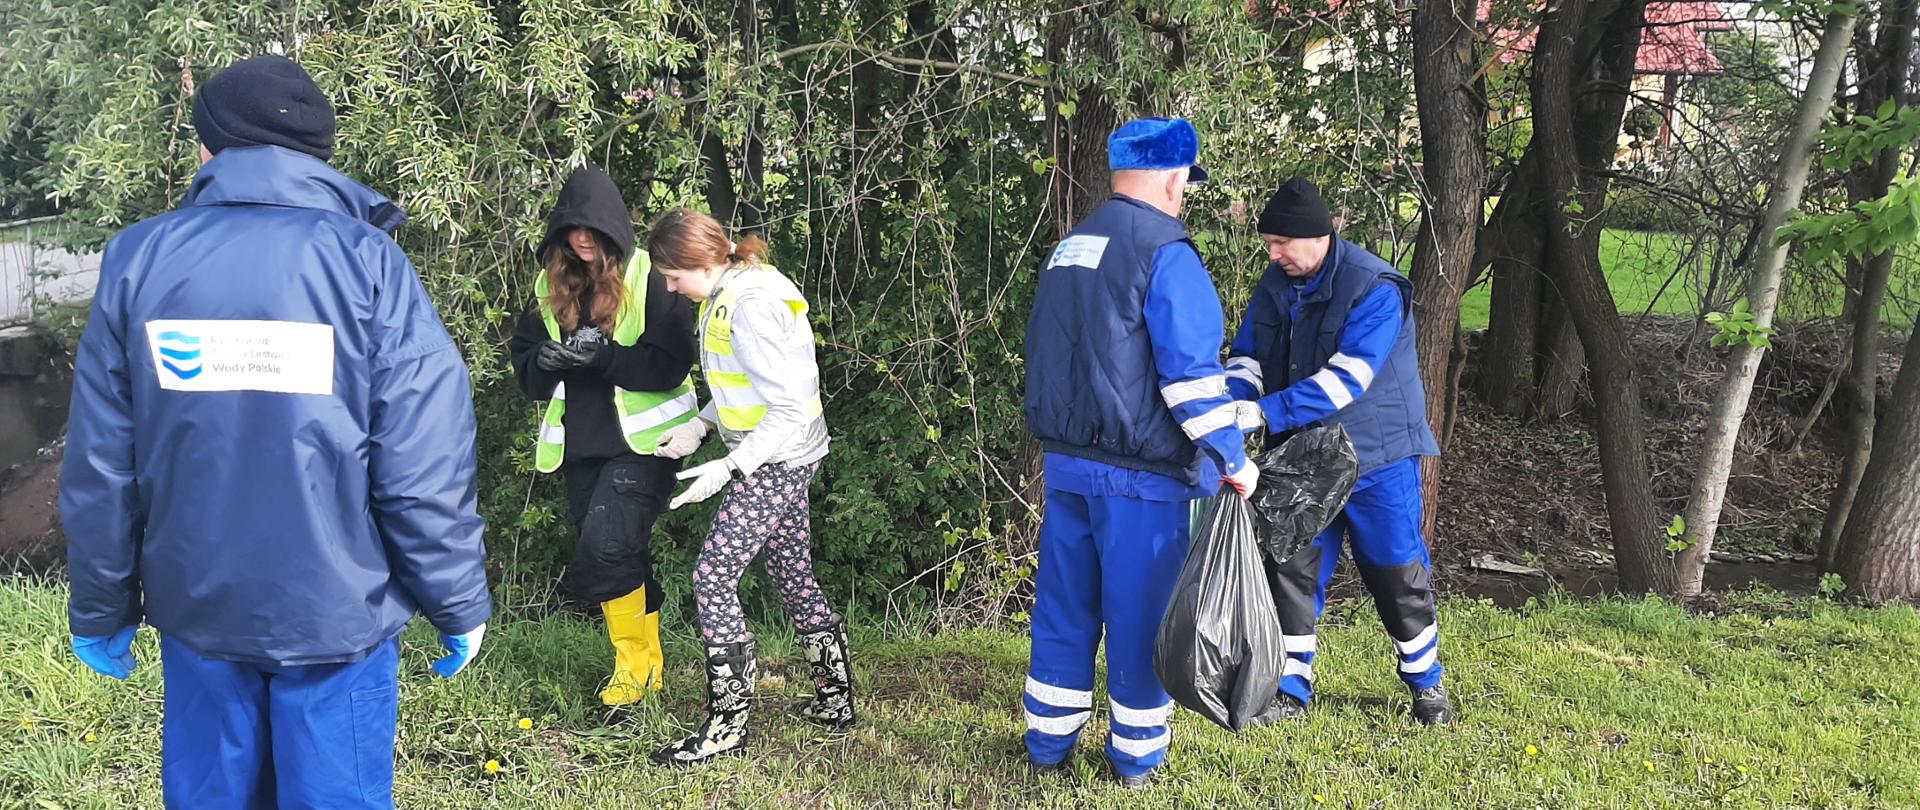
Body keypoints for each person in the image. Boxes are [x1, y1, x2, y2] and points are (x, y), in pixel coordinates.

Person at [60, 55, 491, 808]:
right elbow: (421, 460)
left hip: (198, 607)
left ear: (212, 146)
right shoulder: (368, 264)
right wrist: (456, 599)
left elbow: (103, 464)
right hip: (338, 613)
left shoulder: (139, 261)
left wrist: (102, 606)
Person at [1020, 117, 1259, 788]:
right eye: (1185, 179)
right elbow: (1191, 379)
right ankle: (1134, 759)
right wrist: (1233, 461)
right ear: (1171, 176)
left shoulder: (1070, 245)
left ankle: (1048, 747)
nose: (1185, 191)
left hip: (1067, 467)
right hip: (1142, 479)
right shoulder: (1166, 253)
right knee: (1138, 618)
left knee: (1064, 610)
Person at [1225, 177, 1452, 726]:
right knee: (1292, 571)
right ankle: (1289, 691)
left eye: (1282, 242)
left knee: (1397, 574)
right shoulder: (1276, 282)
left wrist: (1262, 413)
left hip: (1377, 459)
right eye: (1268, 243)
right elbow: (1248, 354)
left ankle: (1427, 685)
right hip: (1302, 459)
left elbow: (1346, 380)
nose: (1273, 253)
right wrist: (1234, 402)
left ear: (1320, 236)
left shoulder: (1376, 287)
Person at [641, 208, 853, 766]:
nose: (668, 285)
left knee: (712, 576)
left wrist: (728, 469)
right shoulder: (729, 292)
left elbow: (785, 407)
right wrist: (702, 426)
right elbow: (746, 388)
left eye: (671, 274)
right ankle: (836, 699)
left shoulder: (750, 307)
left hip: (778, 458)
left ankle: (726, 726)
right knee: (790, 572)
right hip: (782, 454)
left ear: (701, 260)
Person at [508, 165, 699, 705]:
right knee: (622, 552)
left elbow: (671, 363)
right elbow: (525, 367)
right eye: (573, 228)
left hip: (646, 445)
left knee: (606, 546)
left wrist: (607, 355)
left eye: (594, 227)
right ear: (560, 232)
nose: (583, 237)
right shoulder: (550, 284)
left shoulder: (647, 274)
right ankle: (648, 667)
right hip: (580, 447)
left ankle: (633, 674)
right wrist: (544, 362)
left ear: (615, 227)